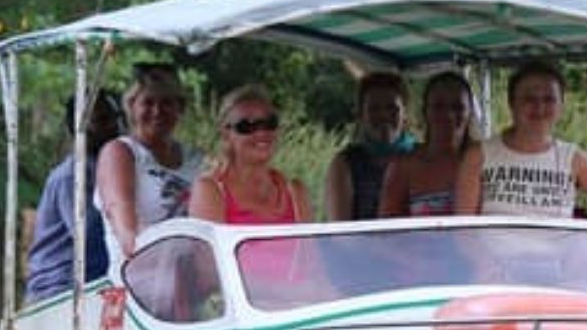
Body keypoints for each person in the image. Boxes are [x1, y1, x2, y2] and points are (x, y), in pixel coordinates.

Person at [455, 60, 587, 221]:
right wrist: (487, 264)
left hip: (560, 263)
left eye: (549, 99)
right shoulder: (479, 156)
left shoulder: (572, 158)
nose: (539, 107)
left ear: (561, 105)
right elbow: (463, 232)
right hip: (495, 262)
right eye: (529, 99)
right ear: (511, 102)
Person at [95, 61, 203, 264]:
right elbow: (125, 227)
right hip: (138, 276)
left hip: (191, 277)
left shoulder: (195, 157)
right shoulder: (119, 152)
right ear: (132, 106)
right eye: (148, 102)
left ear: (180, 108)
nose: (157, 111)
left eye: (167, 103)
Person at [25, 90, 123, 301]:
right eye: (102, 121)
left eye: (115, 119)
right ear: (78, 127)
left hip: (96, 280)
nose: (114, 127)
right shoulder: (71, 176)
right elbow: (89, 237)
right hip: (58, 286)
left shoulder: (109, 166)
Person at [188, 86, 311, 226]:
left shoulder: (295, 192)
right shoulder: (211, 190)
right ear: (226, 134)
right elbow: (209, 248)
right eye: (246, 126)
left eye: (269, 123)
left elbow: (308, 248)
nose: (261, 133)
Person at [380, 72, 477, 217]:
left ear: (470, 113)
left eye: (458, 107)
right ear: (425, 111)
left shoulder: (485, 161)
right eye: (439, 106)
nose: (449, 115)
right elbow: (386, 231)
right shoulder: (403, 166)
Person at [325, 70, 414, 220]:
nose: (384, 116)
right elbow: (340, 235)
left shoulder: (420, 156)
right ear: (361, 114)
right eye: (374, 109)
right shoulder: (346, 163)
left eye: (392, 108)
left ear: (405, 113)